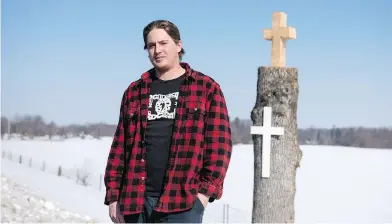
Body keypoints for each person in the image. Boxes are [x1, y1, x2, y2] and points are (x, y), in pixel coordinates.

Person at [103, 19, 232, 223]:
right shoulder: (134, 92)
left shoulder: (206, 88)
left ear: (178, 46)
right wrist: (113, 195)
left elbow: (219, 148)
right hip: (135, 202)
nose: (157, 50)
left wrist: (203, 195)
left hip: (182, 203)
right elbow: (119, 148)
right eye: (151, 45)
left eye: (163, 43)